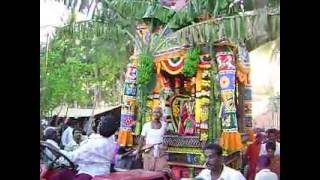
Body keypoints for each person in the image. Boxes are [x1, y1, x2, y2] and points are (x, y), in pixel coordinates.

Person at [52, 114, 119, 180]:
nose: (96, 125)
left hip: (89, 173)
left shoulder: (94, 144)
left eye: (99, 123)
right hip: (102, 172)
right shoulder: (111, 140)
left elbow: (73, 157)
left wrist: (56, 150)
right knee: (61, 174)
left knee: (59, 175)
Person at [135, 106, 168, 171]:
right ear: (152, 113)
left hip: (160, 151)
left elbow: (166, 136)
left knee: (160, 171)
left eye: (158, 112)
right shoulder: (146, 125)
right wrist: (138, 151)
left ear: (161, 114)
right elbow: (141, 139)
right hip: (148, 151)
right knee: (148, 171)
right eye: (154, 112)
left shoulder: (164, 125)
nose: (156, 114)